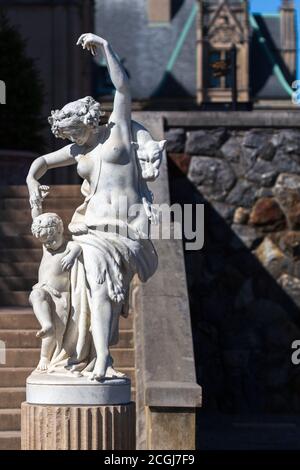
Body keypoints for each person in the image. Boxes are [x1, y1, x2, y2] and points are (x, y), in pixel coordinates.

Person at [26, 33, 162, 380]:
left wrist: (105, 48)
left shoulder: (117, 134)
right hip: (88, 229)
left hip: (124, 227)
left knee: (102, 292)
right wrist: (31, 183)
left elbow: (123, 89)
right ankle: (94, 356)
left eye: (75, 133)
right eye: (68, 137)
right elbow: (41, 163)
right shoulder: (78, 151)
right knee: (89, 290)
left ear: (89, 121)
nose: (73, 141)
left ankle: (99, 356)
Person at [29, 213, 82, 371]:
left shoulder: (68, 246)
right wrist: (37, 202)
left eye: (52, 241)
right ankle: (45, 325)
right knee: (36, 294)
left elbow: (77, 247)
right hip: (44, 288)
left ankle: (46, 355)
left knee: (56, 333)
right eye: (46, 242)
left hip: (61, 297)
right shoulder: (46, 248)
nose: (49, 245)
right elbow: (36, 217)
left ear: (59, 231)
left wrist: (72, 256)